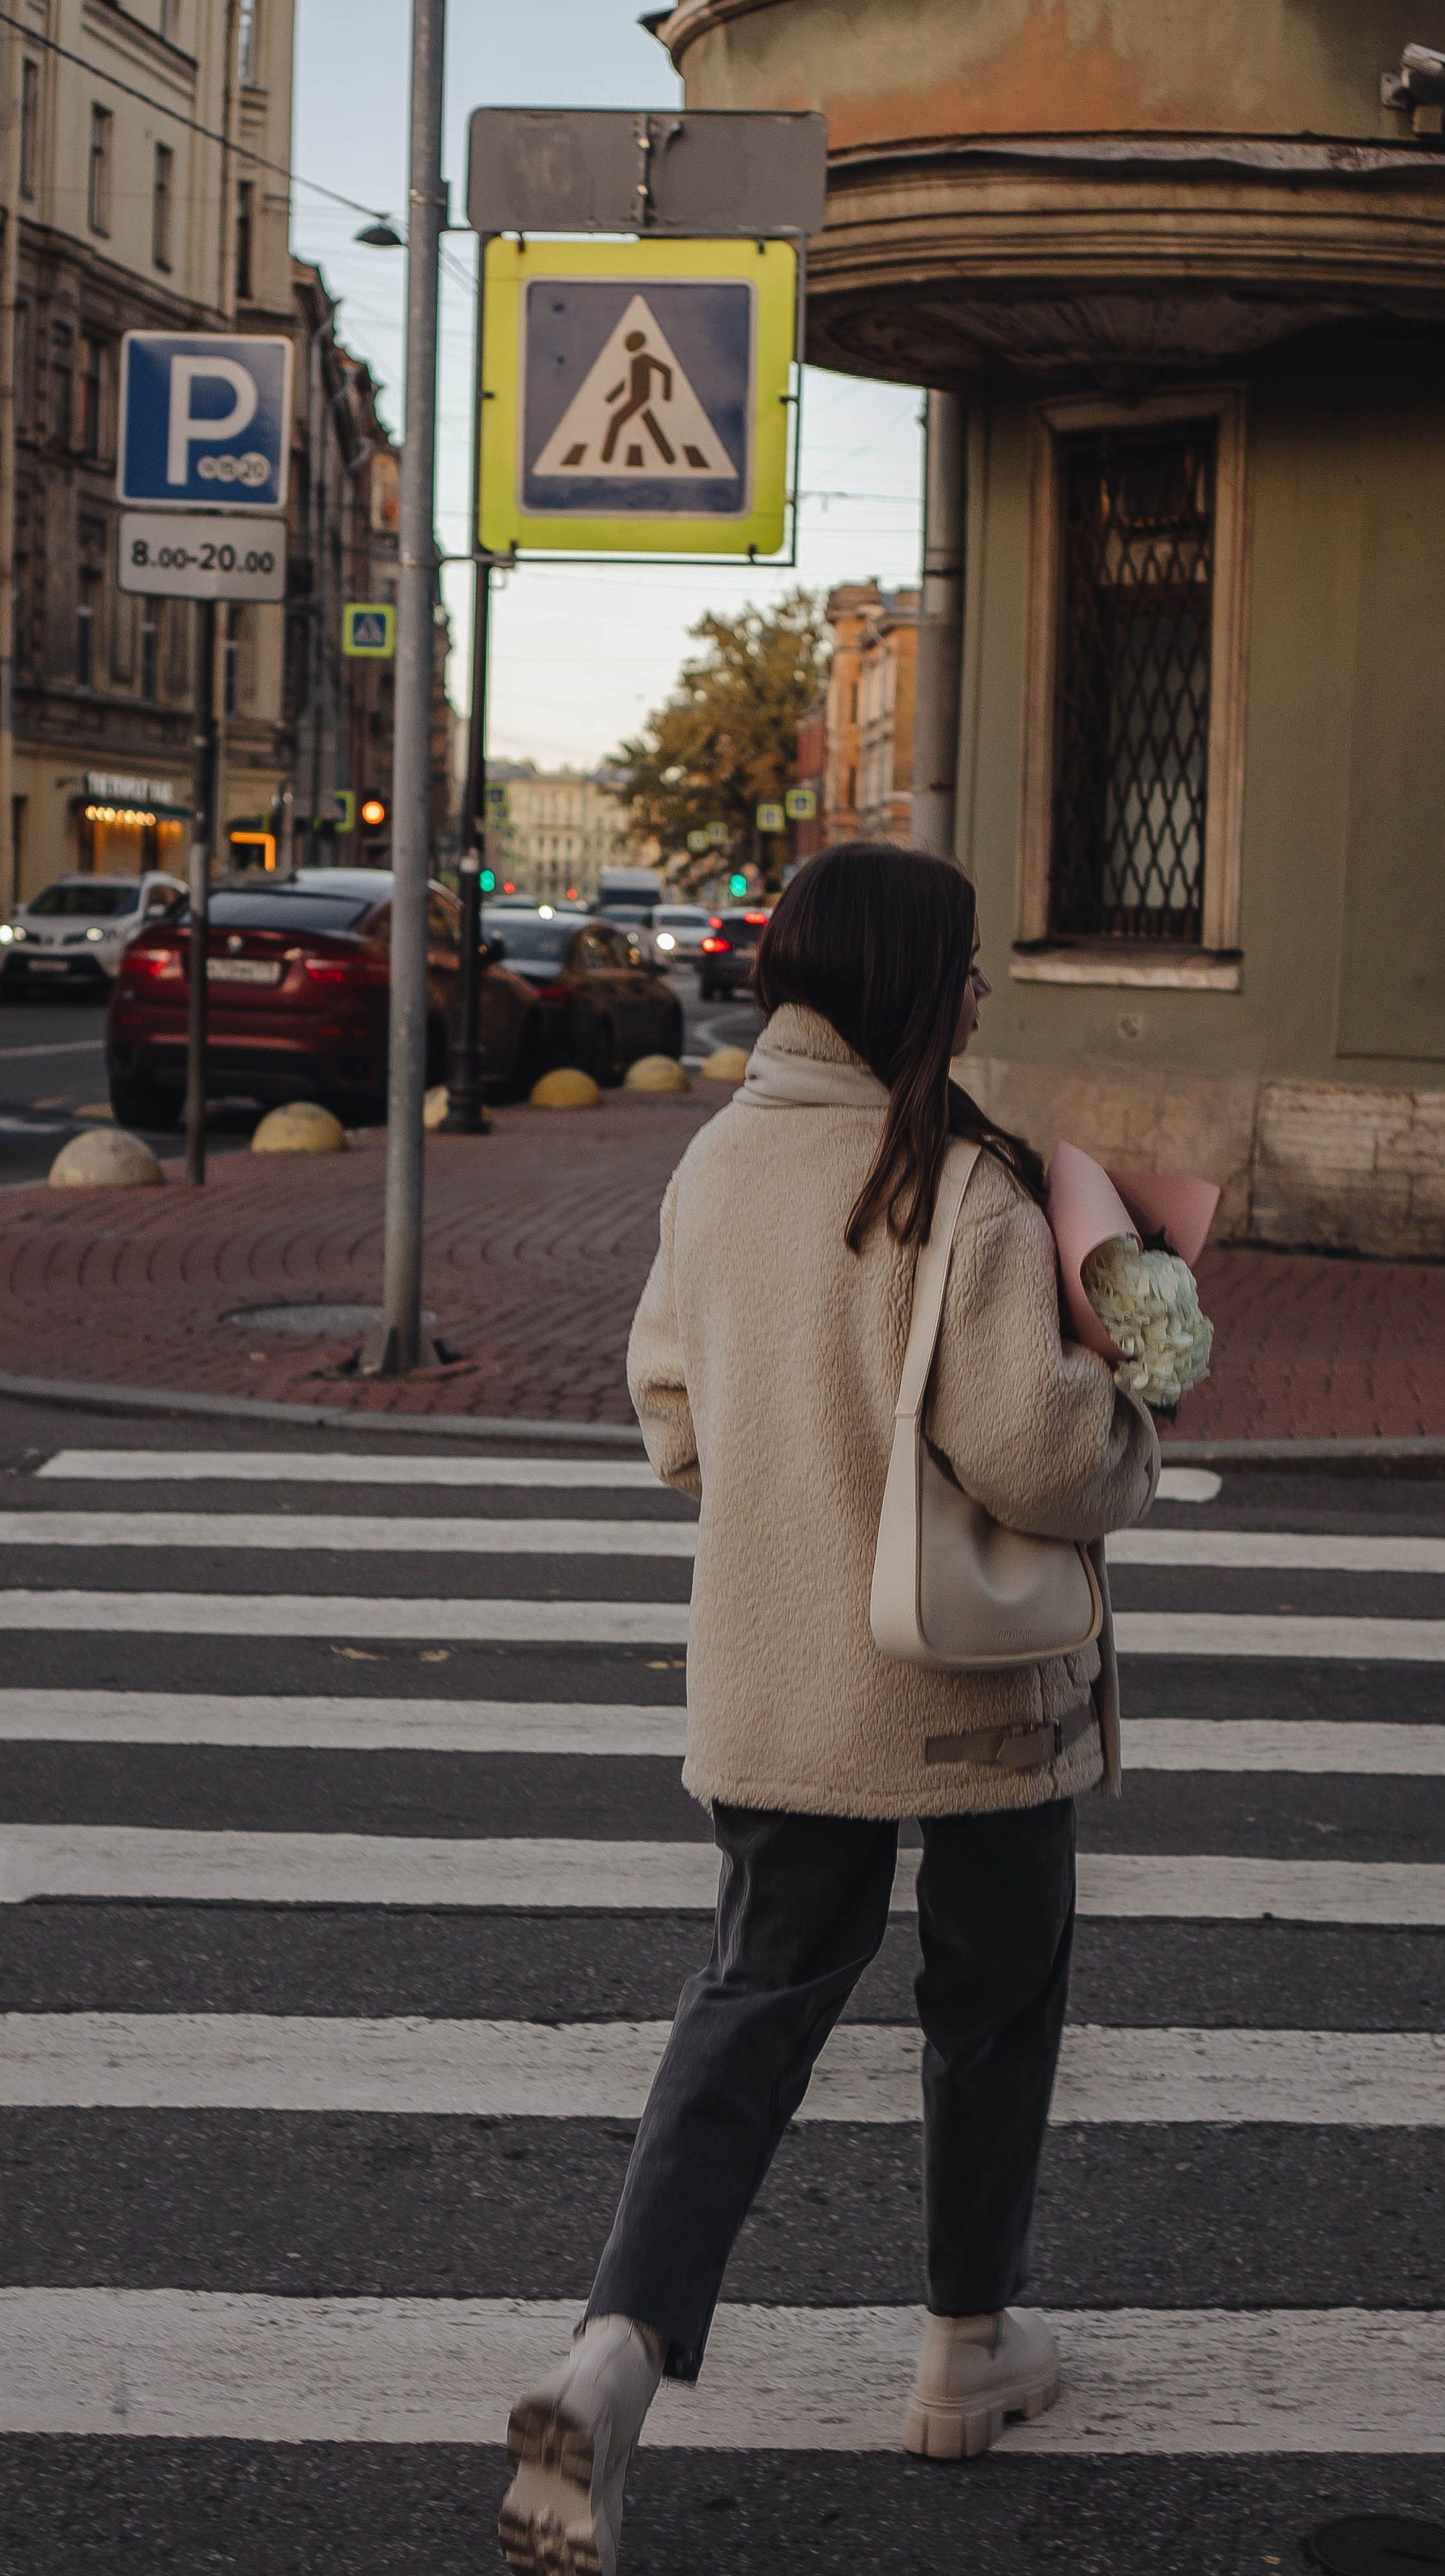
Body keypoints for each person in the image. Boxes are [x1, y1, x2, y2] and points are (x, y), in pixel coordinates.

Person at [498, 843, 1161, 2576]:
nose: (980, 991)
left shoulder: (716, 1163)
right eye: (964, 962)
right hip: (972, 1676)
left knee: (757, 1992)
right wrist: (1134, 1418)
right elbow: (1036, 1451)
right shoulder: (962, 1182)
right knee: (996, 1995)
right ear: (904, 980)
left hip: (782, 1667)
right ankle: (964, 2345)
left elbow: (668, 1412)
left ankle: (613, 2355)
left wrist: (792, 1476)